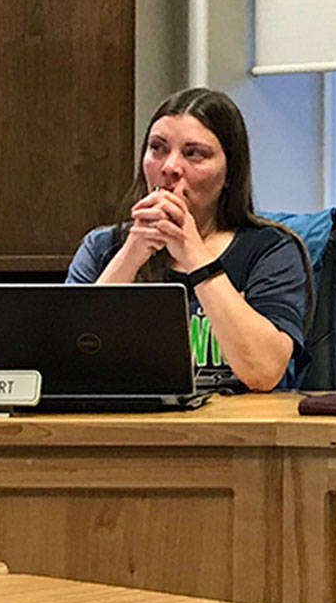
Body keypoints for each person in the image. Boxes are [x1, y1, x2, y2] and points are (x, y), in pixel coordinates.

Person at [67, 88, 309, 392]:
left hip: (234, 421)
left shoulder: (271, 250)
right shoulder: (102, 248)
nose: (169, 167)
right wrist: (130, 257)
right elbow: (64, 366)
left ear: (229, 173)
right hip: (130, 420)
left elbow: (263, 372)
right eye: (157, 148)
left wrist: (195, 255)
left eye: (193, 153)